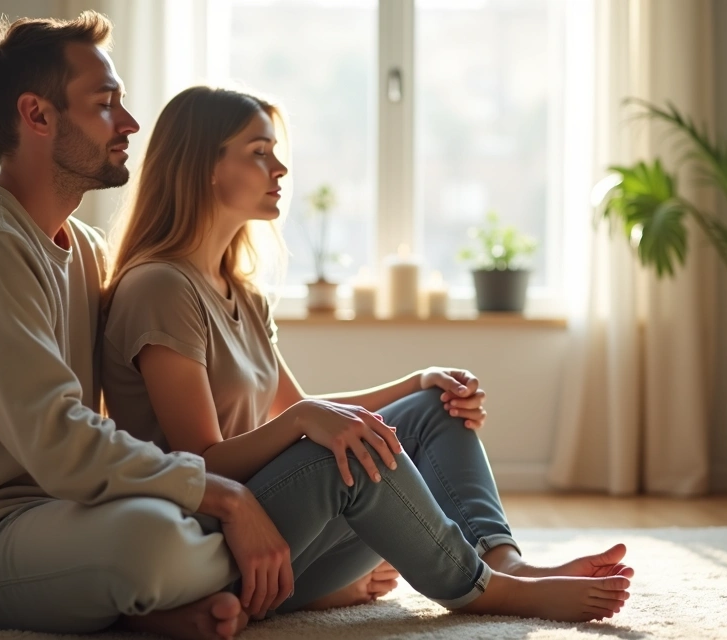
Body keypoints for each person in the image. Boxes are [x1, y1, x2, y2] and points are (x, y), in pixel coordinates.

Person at [100, 85, 636, 624]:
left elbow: (297, 408)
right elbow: (198, 462)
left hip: (278, 528)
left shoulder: (239, 290)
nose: (280, 168)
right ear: (203, 167)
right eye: (259, 152)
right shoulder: (160, 288)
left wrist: (416, 384)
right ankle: (484, 590)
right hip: (217, 532)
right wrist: (308, 420)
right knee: (348, 452)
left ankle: (505, 564)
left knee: (430, 408)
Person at [0, 13, 289, 640]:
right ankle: (290, 572)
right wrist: (226, 495)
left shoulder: (84, 250)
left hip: (59, 513)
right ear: (37, 115)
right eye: (106, 104)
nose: (131, 124)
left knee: (206, 518)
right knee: (157, 541)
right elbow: (60, 440)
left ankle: (153, 606)